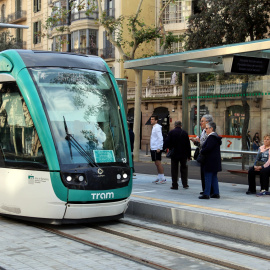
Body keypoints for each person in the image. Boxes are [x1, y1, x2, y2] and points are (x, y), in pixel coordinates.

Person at [190, 114, 213, 194]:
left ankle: (208, 190)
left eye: (202, 121)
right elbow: (201, 142)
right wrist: (196, 141)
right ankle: (205, 190)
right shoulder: (203, 131)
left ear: (208, 122)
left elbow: (206, 144)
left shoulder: (210, 132)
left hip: (207, 156)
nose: (200, 123)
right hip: (203, 155)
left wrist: (198, 142)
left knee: (207, 174)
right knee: (203, 174)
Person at [164, 121, 191, 190]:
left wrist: (167, 148)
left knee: (174, 169)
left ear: (175, 125)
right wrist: (189, 155)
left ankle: (175, 185)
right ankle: (185, 184)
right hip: (183, 154)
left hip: (174, 153)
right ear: (181, 125)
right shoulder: (184, 133)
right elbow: (188, 145)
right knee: (184, 168)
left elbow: (167, 142)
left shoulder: (171, 132)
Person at [199, 121, 222, 199]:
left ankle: (206, 193)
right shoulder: (215, 137)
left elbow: (208, 148)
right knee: (214, 177)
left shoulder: (211, 137)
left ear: (211, 128)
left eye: (206, 128)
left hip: (209, 161)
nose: (205, 130)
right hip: (214, 161)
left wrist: (202, 151)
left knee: (208, 177)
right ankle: (216, 192)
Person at [150, 115, 166, 184]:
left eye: (153, 119)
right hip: (153, 147)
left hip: (156, 148)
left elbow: (160, 138)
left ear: (156, 121)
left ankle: (163, 178)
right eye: (151, 119)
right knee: (156, 163)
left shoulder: (157, 128)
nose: (151, 120)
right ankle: (159, 177)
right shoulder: (154, 127)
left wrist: (159, 147)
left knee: (158, 163)